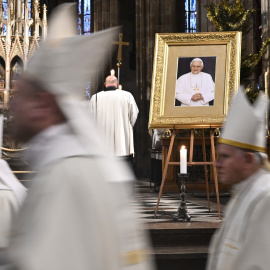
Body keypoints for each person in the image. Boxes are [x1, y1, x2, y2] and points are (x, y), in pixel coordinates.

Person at [4, 4, 155, 270]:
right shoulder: (75, 165)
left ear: (42, 104)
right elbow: (134, 117)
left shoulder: (67, 175)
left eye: (21, 95)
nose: (12, 105)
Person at [206, 87, 270, 269]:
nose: (217, 164)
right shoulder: (242, 193)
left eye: (225, 157)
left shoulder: (265, 198)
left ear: (248, 159)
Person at [89, 75, 139, 158]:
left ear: (105, 84)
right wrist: (126, 127)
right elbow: (134, 114)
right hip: (122, 145)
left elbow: (91, 119)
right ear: (116, 84)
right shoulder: (127, 96)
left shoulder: (95, 98)